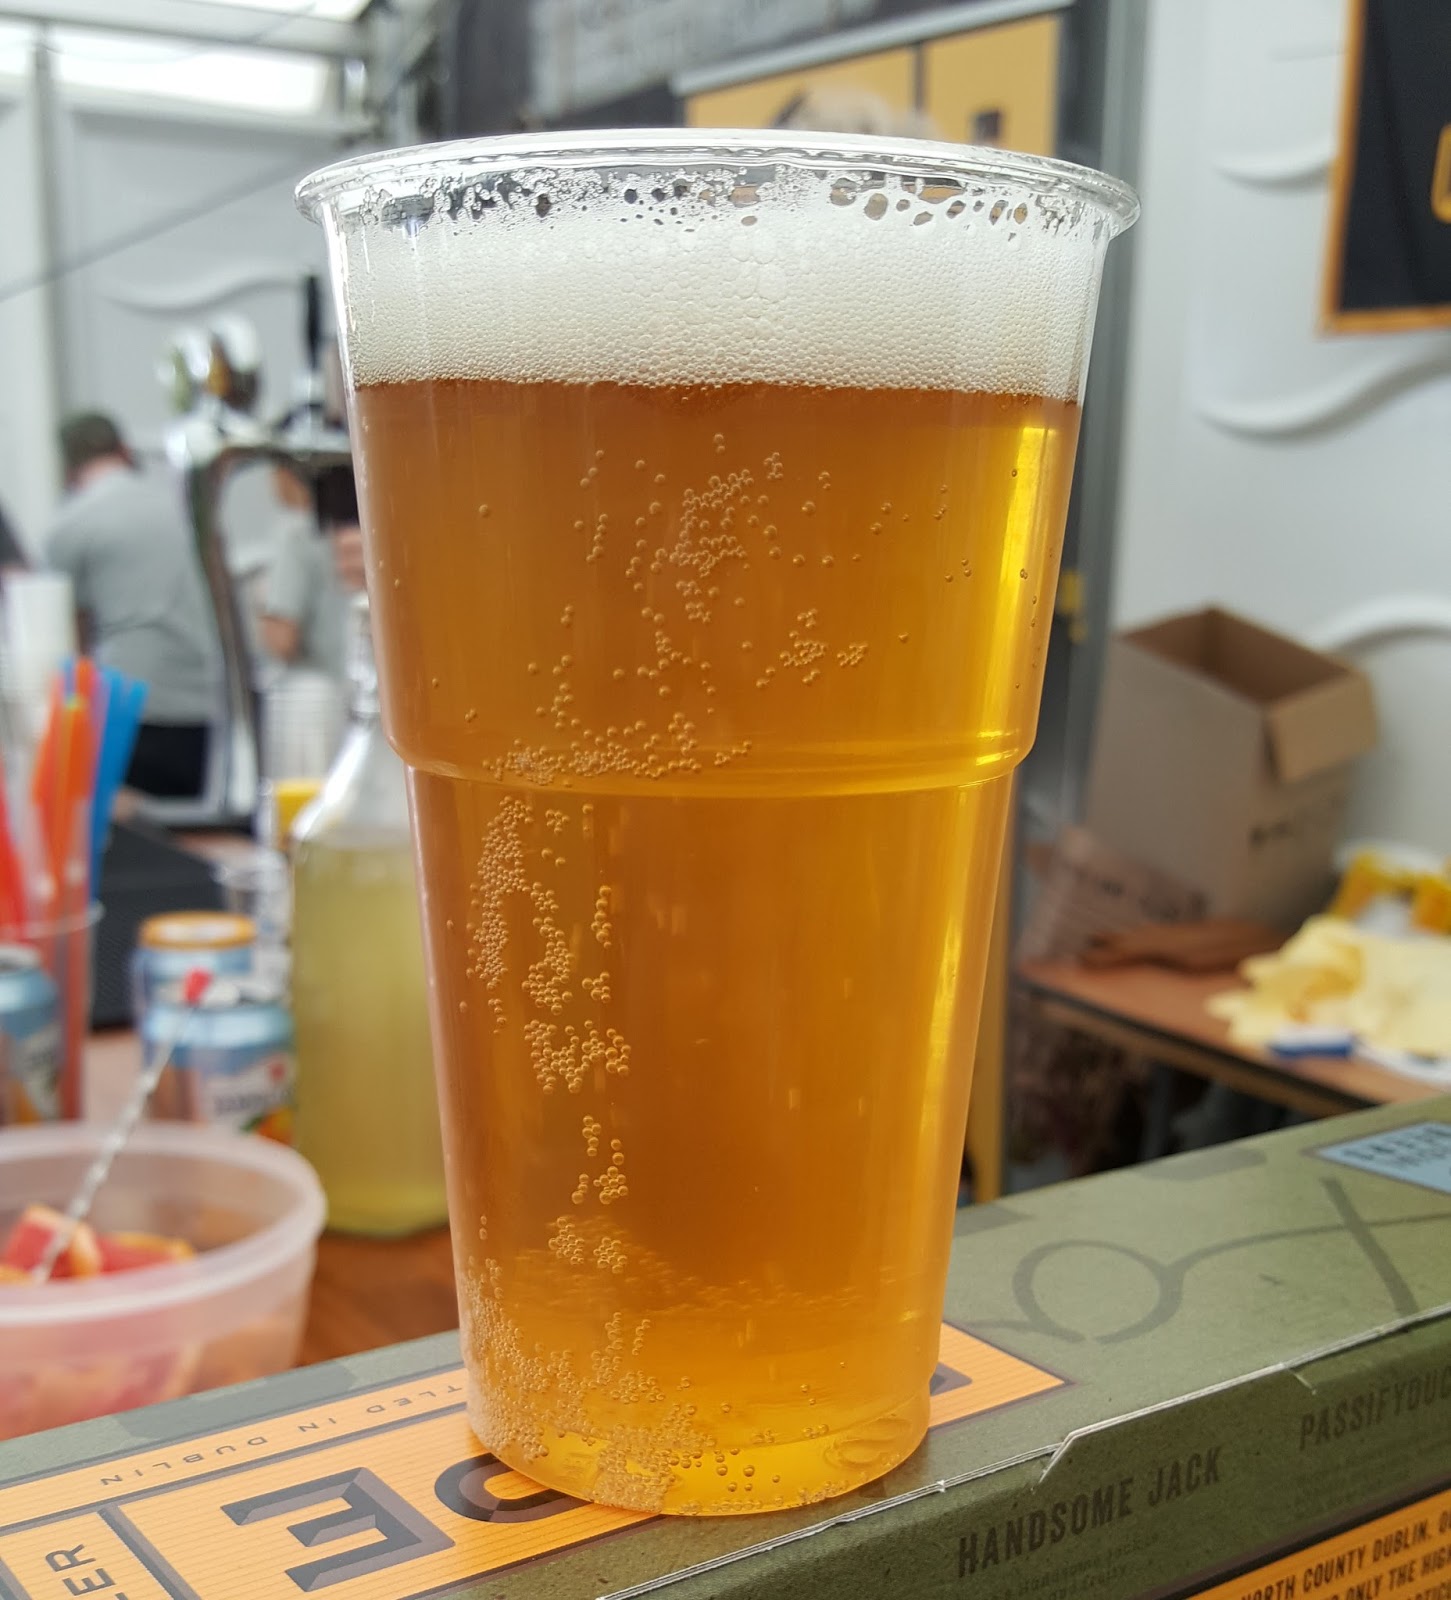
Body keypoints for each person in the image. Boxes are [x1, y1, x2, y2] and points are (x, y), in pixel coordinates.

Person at [45, 412, 221, 798]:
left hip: (128, 708)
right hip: (208, 700)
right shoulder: (180, 505)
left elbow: (65, 641)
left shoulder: (69, 525)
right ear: (124, 451)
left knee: (136, 830)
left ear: (69, 469)